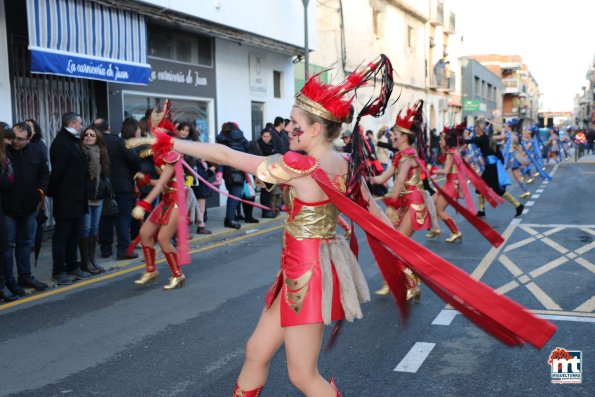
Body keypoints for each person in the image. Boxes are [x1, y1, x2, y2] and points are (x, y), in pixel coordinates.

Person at [370, 101, 429, 300]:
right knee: (395, 246)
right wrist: (361, 176)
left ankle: (412, 284)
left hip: (412, 205)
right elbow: (381, 178)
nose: (390, 136)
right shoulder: (400, 156)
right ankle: (405, 281)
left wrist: (391, 199)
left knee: (396, 246)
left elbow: (399, 182)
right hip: (405, 205)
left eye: (394, 133)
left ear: (403, 137)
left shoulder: (407, 157)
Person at [129, 102, 188, 290]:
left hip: (177, 201)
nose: (153, 134)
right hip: (166, 199)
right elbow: (162, 182)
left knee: (163, 239)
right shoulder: (158, 153)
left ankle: (178, 275)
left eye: (157, 131)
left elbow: (163, 182)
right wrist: (145, 179)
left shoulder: (173, 155)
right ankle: (151, 269)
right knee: (145, 233)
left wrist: (144, 204)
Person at [3, 122, 49, 294]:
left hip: (30, 207)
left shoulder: (37, 151)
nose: (15, 141)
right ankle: (9, 281)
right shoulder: (5, 151)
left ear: (29, 139)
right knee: (8, 246)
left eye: (20, 139)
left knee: (25, 243)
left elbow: (45, 173)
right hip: (8, 208)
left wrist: (40, 192)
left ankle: (25, 276)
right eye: (13, 137)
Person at [48, 112, 89, 285]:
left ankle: (73, 265)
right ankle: (59, 269)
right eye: (80, 123)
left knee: (75, 234)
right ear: (72, 123)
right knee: (62, 235)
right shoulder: (61, 143)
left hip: (77, 197)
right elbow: (58, 173)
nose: (81, 126)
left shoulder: (72, 141)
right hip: (65, 198)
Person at [98, 117, 141, 260]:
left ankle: (105, 249)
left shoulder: (92, 143)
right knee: (123, 218)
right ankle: (123, 249)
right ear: (108, 127)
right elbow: (135, 160)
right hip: (122, 185)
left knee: (105, 218)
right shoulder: (118, 141)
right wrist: (131, 173)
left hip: (101, 186)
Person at [464, 118, 524, 218]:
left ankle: (518, 205)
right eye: (476, 127)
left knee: (497, 191)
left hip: (491, 168)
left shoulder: (482, 139)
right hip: (492, 167)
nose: (476, 129)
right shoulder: (488, 138)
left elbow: (468, 141)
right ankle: (482, 210)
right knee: (481, 189)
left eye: (477, 127)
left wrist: (465, 133)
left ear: (482, 129)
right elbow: (498, 153)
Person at [79, 126, 110, 275]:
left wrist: (104, 188)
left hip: (98, 196)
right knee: (85, 229)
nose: (89, 137)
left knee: (94, 228)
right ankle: (85, 263)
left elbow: (105, 173)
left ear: (97, 138)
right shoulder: (80, 152)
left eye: (92, 135)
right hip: (85, 196)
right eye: (86, 135)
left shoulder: (101, 152)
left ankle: (91, 260)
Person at [425, 125, 463, 242]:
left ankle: (455, 231)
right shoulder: (455, 150)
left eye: (442, 139)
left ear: (447, 140)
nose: (440, 141)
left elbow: (445, 171)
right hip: (451, 183)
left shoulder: (450, 153)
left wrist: (432, 170)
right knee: (432, 201)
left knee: (439, 209)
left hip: (451, 184)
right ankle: (435, 228)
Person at [216, 122, 249, 229]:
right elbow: (247, 147)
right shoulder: (240, 137)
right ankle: (230, 219)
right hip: (239, 168)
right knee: (235, 196)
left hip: (228, 170)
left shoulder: (222, 138)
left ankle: (231, 217)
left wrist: (220, 173)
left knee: (233, 195)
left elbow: (221, 157)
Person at [0, 122, 18, 301]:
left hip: (4, 205)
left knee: (4, 246)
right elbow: (5, 182)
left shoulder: (7, 155)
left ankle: (4, 285)